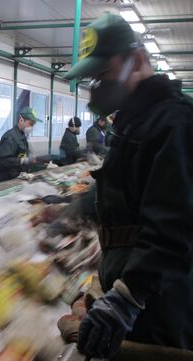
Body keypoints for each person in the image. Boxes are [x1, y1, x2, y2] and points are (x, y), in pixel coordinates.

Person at [64, 13, 193, 359]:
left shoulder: (174, 123)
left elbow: (173, 227)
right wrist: (77, 208)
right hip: (138, 290)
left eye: (103, 74)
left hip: (159, 299)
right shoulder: (136, 122)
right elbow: (129, 188)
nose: (98, 87)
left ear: (136, 60)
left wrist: (126, 298)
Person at [0, 107, 42, 182]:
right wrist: (22, 160)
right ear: (21, 120)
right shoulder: (10, 137)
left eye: (33, 125)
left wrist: (30, 158)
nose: (31, 127)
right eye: (30, 124)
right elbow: (3, 161)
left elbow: (22, 153)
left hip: (17, 178)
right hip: (6, 181)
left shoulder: (22, 135)